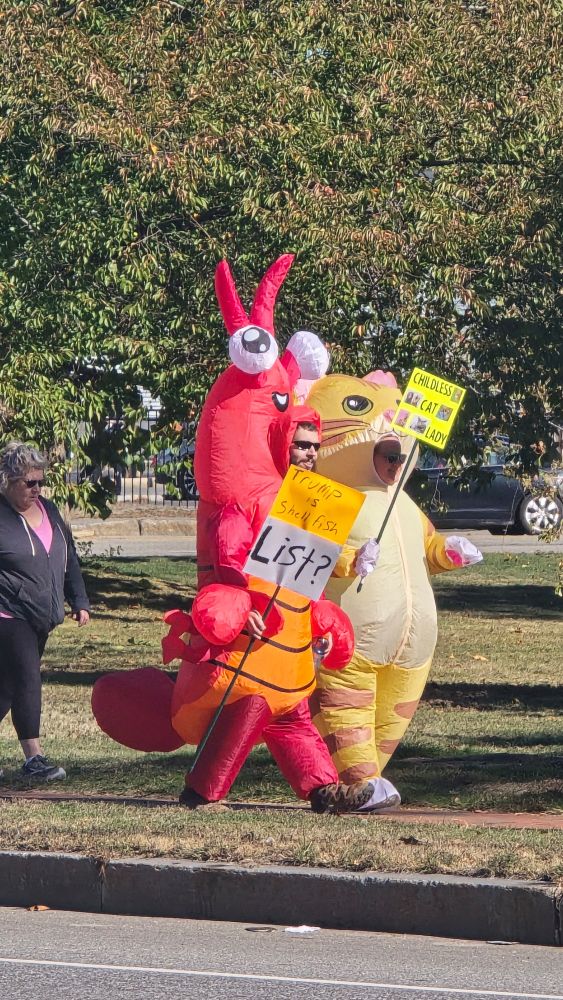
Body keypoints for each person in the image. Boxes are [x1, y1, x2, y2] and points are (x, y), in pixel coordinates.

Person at [307, 371, 483, 812]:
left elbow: (426, 549)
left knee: (386, 723)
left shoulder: (406, 504)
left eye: (396, 451)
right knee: (344, 710)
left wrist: (449, 551)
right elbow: (304, 553)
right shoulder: (321, 495)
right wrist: (347, 558)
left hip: (413, 648)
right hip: (345, 642)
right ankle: (359, 781)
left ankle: (366, 778)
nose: (392, 455)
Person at [0, 441, 90, 782]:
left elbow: (69, 559)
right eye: (29, 483)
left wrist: (78, 600)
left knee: (6, 688)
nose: (36, 489)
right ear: (8, 481)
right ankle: (33, 758)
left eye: (40, 482)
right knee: (27, 678)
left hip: (41, 614)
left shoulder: (49, 510)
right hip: (8, 613)